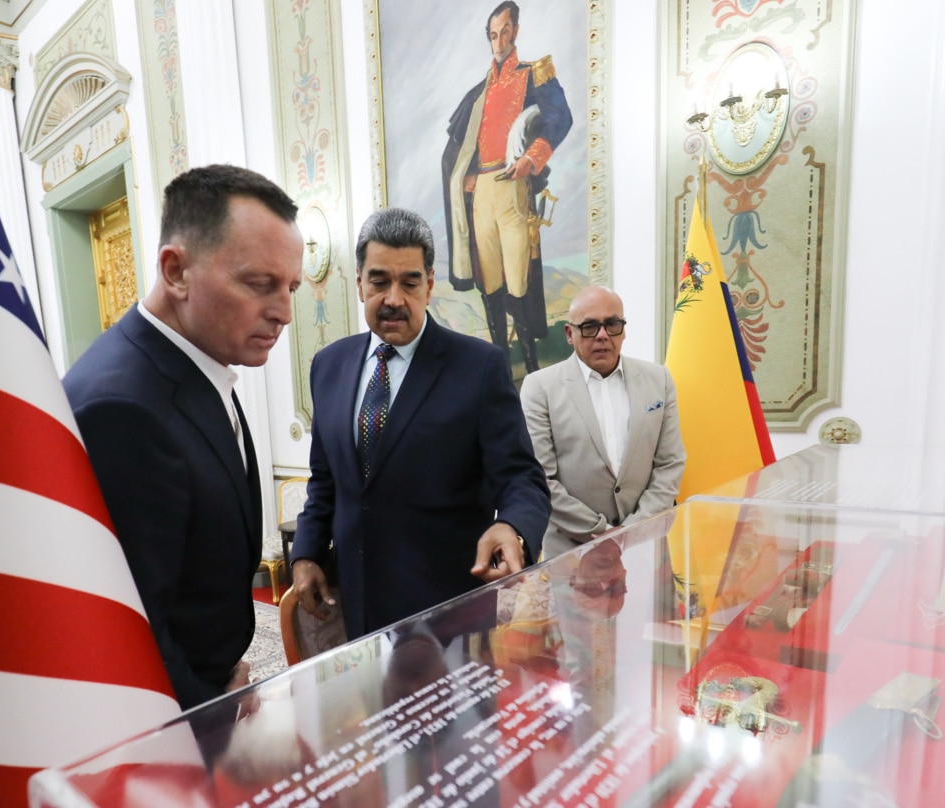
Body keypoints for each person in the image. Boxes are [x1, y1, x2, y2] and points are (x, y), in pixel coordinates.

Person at [63, 165, 303, 709]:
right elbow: (127, 629)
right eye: (259, 284)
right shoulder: (121, 408)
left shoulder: (198, 360)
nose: (285, 312)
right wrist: (211, 710)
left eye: (290, 287)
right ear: (176, 271)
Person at [290, 207, 551, 638]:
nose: (394, 298)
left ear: (429, 285)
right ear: (359, 284)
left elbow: (522, 477)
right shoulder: (328, 365)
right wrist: (307, 554)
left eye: (409, 282)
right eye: (379, 281)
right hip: (355, 603)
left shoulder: (479, 367)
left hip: (450, 613)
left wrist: (513, 527)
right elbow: (325, 480)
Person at [442, 0, 573, 373]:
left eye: (504, 32)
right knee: (490, 282)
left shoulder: (534, 74)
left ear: (515, 30)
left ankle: (531, 368)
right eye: (493, 35)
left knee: (519, 280)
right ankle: (499, 364)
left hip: (514, 185)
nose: (498, 40)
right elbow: (465, 142)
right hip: (482, 190)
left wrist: (531, 159)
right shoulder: (479, 90)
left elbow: (561, 119)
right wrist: (466, 174)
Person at [520, 286, 685, 559]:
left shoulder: (659, 380)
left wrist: (631, 532)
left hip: (645, 546)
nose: (602, 335)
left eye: (612, 324)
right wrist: (600, 532)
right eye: (589, 326)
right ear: (569, 334)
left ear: (623, 328)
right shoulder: (539, 388)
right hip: (571, 554)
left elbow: (670, 463)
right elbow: (541, 479)